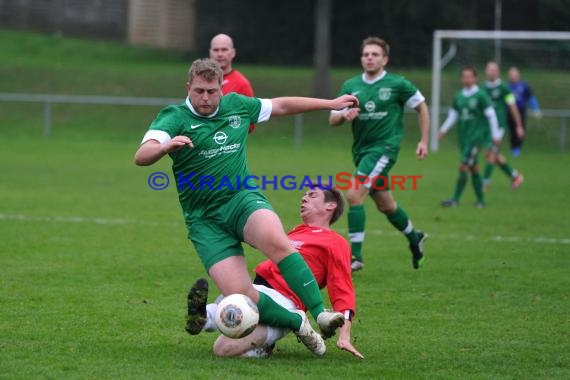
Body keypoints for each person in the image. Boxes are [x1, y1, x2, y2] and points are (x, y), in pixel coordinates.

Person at [134, 58, 358, 356]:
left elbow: (281, 106)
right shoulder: (174, 117)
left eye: (212, 91)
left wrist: (330, 103)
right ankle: (297, 321)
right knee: (239, 293)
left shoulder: (237, 105)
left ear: (221, 90)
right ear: (188, 87)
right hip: (204, 221)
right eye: (199, 90)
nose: (205, 98)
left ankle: (319, 313)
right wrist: (164, 147)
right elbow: (142, 155)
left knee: (279, 243)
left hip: (241, 198)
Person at [186, 185, 364, 359]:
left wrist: (344, 336)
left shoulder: (336, 242)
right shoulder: (296, 232)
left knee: (222, 349)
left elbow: (342, 288)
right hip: (256, 287)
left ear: (330, 205)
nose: (304, 198)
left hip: (285, 301)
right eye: (305, 195)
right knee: (233, 298)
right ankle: (203, 319)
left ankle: (265, 342)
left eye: (312, 195)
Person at [329, 36, 429, 272]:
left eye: (375, 54)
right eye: (366, 54)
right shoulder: (351, 86)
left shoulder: (398, 84)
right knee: (387, 206)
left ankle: (356, 257)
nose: (370, 58)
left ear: (385, 59)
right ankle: (415, 238)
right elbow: (332, 119)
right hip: (362, 153)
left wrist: (423, 140)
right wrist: (344, 115)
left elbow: (422, 106)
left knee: (354, 195)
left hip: (384, 149)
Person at [439, 66, 502, 208]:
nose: (467, 79)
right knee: (473, 168)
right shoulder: (459, 96)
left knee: (463, 166)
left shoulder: (481, 95)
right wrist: (443, 130)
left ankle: (455, 199)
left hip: (475, 138)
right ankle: (481, 201)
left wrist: (496, 134)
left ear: (475, 78)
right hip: (463, 137)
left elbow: (491, 114)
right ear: (461, 79)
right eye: (464, 76)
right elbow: (453, 115)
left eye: (470, 76)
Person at [482, 61, 525, 191]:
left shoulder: (504, 88)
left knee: (491, 154)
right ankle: (515, 176)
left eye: (494, 69)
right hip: (486, 127)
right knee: (491, 155)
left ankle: (485, 183)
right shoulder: (482, 88)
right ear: (486, 71)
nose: (492, 72)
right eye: (489, 69)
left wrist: (519, 126)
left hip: (498, 127)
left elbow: (512, 107)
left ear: (498, 72)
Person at [209, 33, 256, 133]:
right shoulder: (201, 81)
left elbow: (250, 124)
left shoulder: (242, 83)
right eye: (216, 50)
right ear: (210, 53)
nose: (220, 54)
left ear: (233, 52)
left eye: (224, 49)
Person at [507, 66, 542, 156]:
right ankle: (512, 147)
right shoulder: (507, 87)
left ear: (518, 75)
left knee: (520, 129)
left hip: (521, 110)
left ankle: (517, 148)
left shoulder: (524, 86)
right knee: (512, 130)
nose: (513, 76)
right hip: (509, 111)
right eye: (511, 74)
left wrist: (535, 109)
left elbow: (531, 97)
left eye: (514, 74)